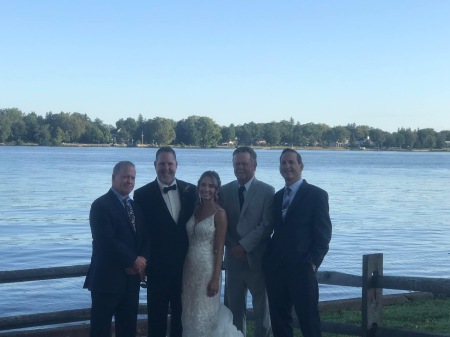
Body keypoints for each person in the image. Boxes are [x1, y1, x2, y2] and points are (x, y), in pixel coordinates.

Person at [263, 149, 332, 337]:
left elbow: (324, 234)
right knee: (279, 320)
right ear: (279, 168)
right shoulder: (277, 197)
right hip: (277, 269)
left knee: (308, 320)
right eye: (283, 163)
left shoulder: (317, 195)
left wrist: (313, 262)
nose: (287, 166)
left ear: (301, 166)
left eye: (291, 162)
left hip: (302, 268)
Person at [134, 147, 197, 337]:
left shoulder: (191, 191)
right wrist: (142, 262)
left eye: (170, 164)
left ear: (176, 165)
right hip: (156, 269)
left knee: (181, 317)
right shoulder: (142, 195)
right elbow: (140, 234)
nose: (166, 168)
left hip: (185, 268)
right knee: (156, 319)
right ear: (155, 165)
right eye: (162, 164)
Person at [84, 161, 149, 337]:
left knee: (128, 330)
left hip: (131, 281)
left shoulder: (135, 207)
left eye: (133, 177)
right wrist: (133, 260)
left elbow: (144, 238)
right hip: (107, 281)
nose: (129, 181)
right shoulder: (100, 206)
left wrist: (141, 261)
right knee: (100, 330)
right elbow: (106, 241)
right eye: (125, 176)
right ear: (114, 178)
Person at [181, 171, 243, 337]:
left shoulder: (220, 214)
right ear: (198, 186)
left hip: (207, 270)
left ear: (217, 190)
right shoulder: (195, 209)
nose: (206, 189)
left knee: (205, 313)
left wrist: (216, 277)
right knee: (189, 311)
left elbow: (220, 248)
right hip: (189, 269)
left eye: (211, 186)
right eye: (203, 185)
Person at [221, 146, 274, 337]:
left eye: (244, 163)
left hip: (257, 261)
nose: (240, 167)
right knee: (234, 312)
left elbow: (266, 225)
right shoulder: (225, 191)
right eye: (237, 164)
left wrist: (244, 246)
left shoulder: (267, 191)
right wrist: (233, 246)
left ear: (254, 164)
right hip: (233, 262)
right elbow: (221, 224)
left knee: (263, 314)